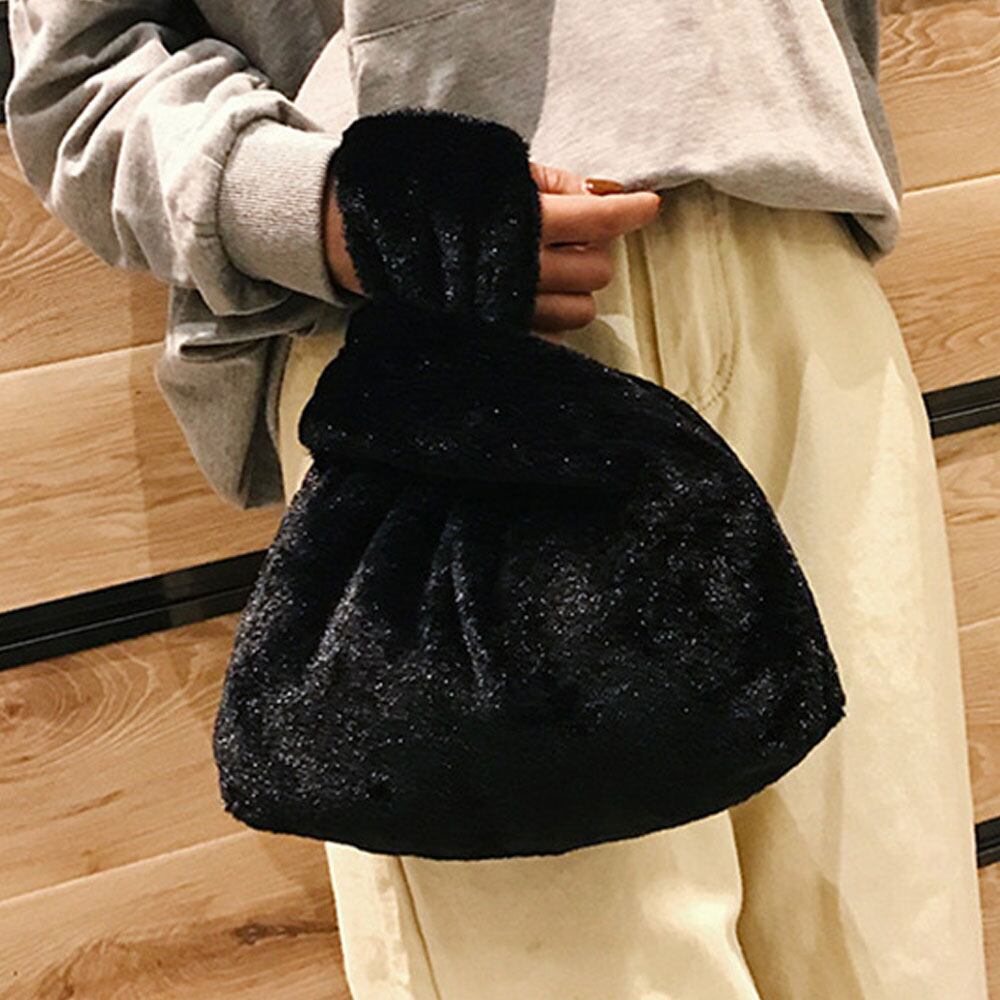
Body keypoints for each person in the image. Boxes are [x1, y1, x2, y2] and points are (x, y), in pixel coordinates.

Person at [5, 3, 989, 997]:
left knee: (896, 952)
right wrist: (318, 206)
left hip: (794, 262)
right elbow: (81, 75)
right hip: (446, 341)